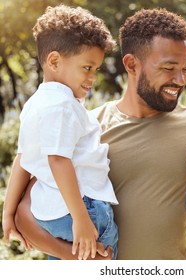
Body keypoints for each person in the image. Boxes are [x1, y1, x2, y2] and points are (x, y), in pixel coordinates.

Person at [13, 8, 186, 260]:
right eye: (169, 68)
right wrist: (84, 262)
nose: (180, 79)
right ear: (130, 64)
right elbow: (24, 216)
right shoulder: (87, 128)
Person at [2, 5, 119, 260]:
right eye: (87, 68)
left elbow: (23, 158)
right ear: (54, 61)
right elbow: (58, 159)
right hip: (83, 208)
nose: (92, 78)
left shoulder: (35, 104)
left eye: (96, 70)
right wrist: (81, 220)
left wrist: (7, 214)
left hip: (52, 212)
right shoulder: (62, 105)